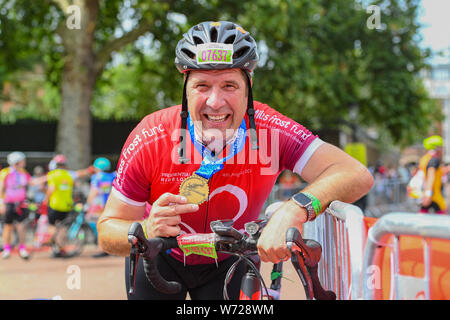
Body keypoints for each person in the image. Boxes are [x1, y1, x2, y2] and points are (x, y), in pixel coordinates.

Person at [97, 21, 374, 300]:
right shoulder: (151, 136)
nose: (215, 102)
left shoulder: (271, 131)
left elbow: (355, 174)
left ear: (248, 87)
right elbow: (107, 230)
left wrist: (295, 210)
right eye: (202, 86)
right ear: (185, 88)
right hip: (159, 258)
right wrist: (145, 230)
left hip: (232, 259)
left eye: (229, 85)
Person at [43, 154, 94, 257]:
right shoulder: (69, 174)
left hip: (54, 205)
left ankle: (54, 246)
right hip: (67, 205)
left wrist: (45, 201)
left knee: (52, 226)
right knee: (63, 228)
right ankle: (61, 248)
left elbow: (51, 189)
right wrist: (89, 170)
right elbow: (80, 174)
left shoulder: (53, 174)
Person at [0, 152, 43, 259]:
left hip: (21, 203)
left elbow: (32, 182)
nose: (24, 163)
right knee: (8, 226)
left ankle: (22, 248)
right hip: (9, 203)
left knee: (21, 226)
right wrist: (1, 203)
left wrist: (47, 177)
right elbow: (1, 188)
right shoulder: (5, 173)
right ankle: (7, 249)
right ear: (17, 162)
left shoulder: (24, 173)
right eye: (22, 161)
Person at [86, 157, 116, 258]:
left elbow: (93, 192)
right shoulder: (112, 176)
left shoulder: (97, 177)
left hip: (98, 206)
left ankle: (103, 248)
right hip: (110, 204)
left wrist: (87, 204)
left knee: (96, 225)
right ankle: (111, 247)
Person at [418, 135, 446, 214]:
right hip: (433, 194)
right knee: (442, 217)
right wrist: (428, 194)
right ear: (436, 148)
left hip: (427, 192)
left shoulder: (425, 158)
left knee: (423, 214)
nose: (442, 149)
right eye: (441, 147)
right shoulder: (434, 160)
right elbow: (431, 176)